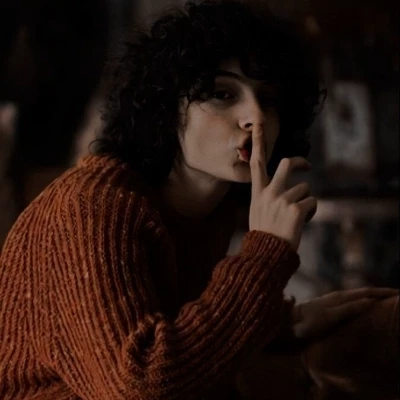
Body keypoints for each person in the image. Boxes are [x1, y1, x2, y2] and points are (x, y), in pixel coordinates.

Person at [0, 1, 397, 399]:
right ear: (165, 109)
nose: (256, 117)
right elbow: (140, 386)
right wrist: (266, 253)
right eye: (222, 94)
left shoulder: (207, 210)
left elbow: (175, 325)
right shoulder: (92, 207)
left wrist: (280, 324)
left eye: (269, 99)